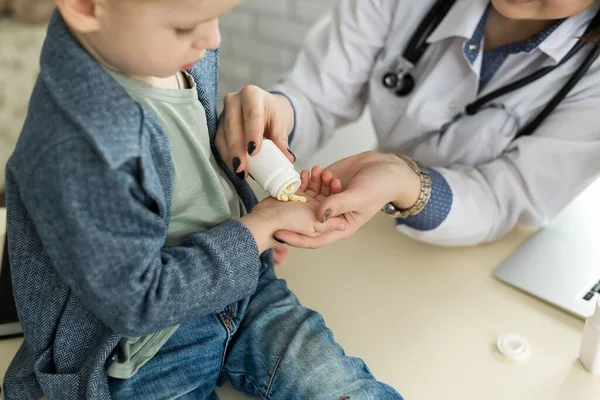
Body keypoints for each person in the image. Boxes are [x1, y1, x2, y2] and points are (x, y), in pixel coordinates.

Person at [1, 0, 404, 399]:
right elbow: (136, 302)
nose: (212, 38)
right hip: (148, 351)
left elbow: (193, 166)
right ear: (86, 7)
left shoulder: (172, 57)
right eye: (184, 27)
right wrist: (252, 234)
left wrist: (258, 207)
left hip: (246, 294)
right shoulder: (72, 148)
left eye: (218, 17)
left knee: (346, 388)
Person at [217, 0, 600, 248]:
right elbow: (319, 94)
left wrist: (408, 185)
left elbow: (505, 196)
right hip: (371, 240)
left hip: (488, 256)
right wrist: (276, 117)